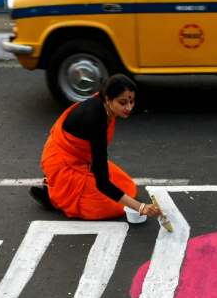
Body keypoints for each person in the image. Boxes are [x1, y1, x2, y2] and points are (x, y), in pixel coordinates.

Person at [30, 75, 162, 220]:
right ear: (107, 99)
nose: (129, 108)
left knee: (126, 186)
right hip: (61, 160)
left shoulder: (104, 106)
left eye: (132, 101)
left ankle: (58, 186)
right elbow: (103, 183)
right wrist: (141, 208)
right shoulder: (96, 122)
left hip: (81, 157)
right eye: (123, 102)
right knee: (106, 207)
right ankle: (52, 195)